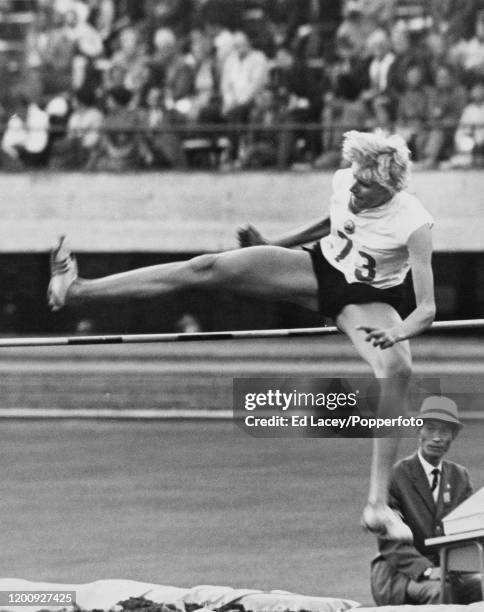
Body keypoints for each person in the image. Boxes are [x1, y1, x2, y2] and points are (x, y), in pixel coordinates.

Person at [48, 130, 436, 541]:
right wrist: (275, 245)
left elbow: (427, 309)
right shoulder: (345, 181)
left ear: (390, 188)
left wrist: (398, 332)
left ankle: (377, 506)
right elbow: (334, 220)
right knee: (207, 267)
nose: (355, 187)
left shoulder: (413, 223)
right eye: (355, 178)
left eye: (367, 186)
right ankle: (77, 290)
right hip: (315, 268)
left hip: (365, 297)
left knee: (396, 368)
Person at [371, 396, 483, 605]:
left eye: (444, 431)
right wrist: (427, 569)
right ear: (418, 431)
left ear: (454, 436)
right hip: (400, 573)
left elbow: (469, 532)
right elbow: (389, 543)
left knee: (480, 586)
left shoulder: (460, 476)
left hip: (448, 570)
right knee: (441, 592)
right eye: (430, 429)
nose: (437, 438)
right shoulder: (397, 475)